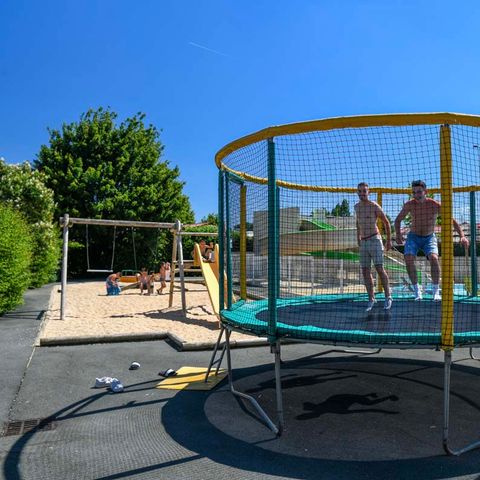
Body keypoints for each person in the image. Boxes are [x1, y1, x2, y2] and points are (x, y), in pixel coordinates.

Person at [394, 180, 470, 301]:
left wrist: (462, 236)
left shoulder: (435, 205)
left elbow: (452, 221)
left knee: (434, 258)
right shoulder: (409, 204)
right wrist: (398, 234)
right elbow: (397, 220)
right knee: (408, 258)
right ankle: (417, 290)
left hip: (429, 237)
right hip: (413, 237)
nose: (416, 195)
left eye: (419, 192)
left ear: (426, 191)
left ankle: (436, 291)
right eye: (414, 192)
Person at [354, 182, 392, 312]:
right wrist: (358, 237)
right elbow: (358, 223)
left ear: (368, 192)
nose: (362, 194)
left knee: (379, 268)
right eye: (360, 191)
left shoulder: (374, 206)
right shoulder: (356, 207)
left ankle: (388, 297)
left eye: (364, 191)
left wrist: (388, 241)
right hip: (364, 242)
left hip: (375, 239)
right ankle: (371, 298)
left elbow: (386, 222)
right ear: (357, 192)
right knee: (365, 270)